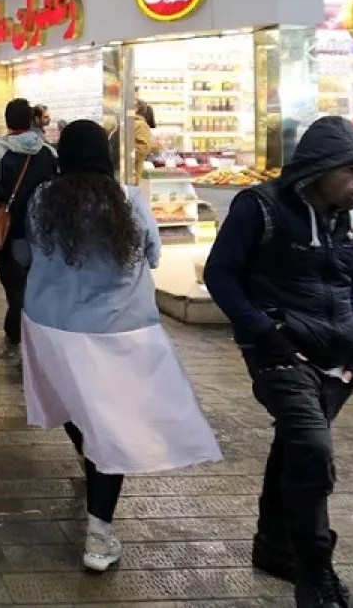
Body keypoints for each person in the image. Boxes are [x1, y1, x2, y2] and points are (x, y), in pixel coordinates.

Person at [22, 121, 221, 572]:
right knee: (111, 427)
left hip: (52, 327)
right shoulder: (128, 201)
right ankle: (98, 536)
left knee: (79, 411)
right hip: (119, 333)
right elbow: (152, 255)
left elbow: (25, 254)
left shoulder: (42, 200)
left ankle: (89, 455)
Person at [202, 116, 353, 608]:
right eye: (351, 170)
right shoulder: (259, 208)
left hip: (339, 359)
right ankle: (314, 571)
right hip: (279, 353)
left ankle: (275, 548)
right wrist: (263, 332)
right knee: (311, 446)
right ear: (318, 170)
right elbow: (220, 275)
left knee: (296, 447)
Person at [0, 98, 57, 345]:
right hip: (42, 229)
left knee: (14, 287)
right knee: (37, 283)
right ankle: (34, 328)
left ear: (7, 120)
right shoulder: (48, 151)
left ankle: (16, 328)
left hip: (9, 228)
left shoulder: (1, 149)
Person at [131, 104, 156, 183]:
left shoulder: (140, 125)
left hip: (131, 175)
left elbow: (143, 148)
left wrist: (123, 156)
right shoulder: (127, 123)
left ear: (136, 109)